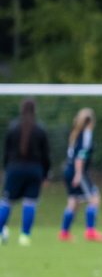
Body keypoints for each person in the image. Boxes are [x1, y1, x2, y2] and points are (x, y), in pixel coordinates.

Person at [1, 99, 52, 247]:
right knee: (30, 203)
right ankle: (25, 237)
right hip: (34, 170)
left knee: (7, 202)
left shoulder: (13, 128)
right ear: (35, 111)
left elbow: (6, 152)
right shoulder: (40, 130)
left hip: (15, 169)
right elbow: (46, 155)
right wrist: (46, 174)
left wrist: (6, 170)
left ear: (21, 110)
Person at [59, 108, 102, 243]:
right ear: (92, 121)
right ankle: (90, 232)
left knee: (74, 201)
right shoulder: (87, 134)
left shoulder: (75, 133)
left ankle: (64, 233)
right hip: (77, 171)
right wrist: (79, 174)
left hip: (68, 169)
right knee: (95, 198)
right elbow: (80, 156)